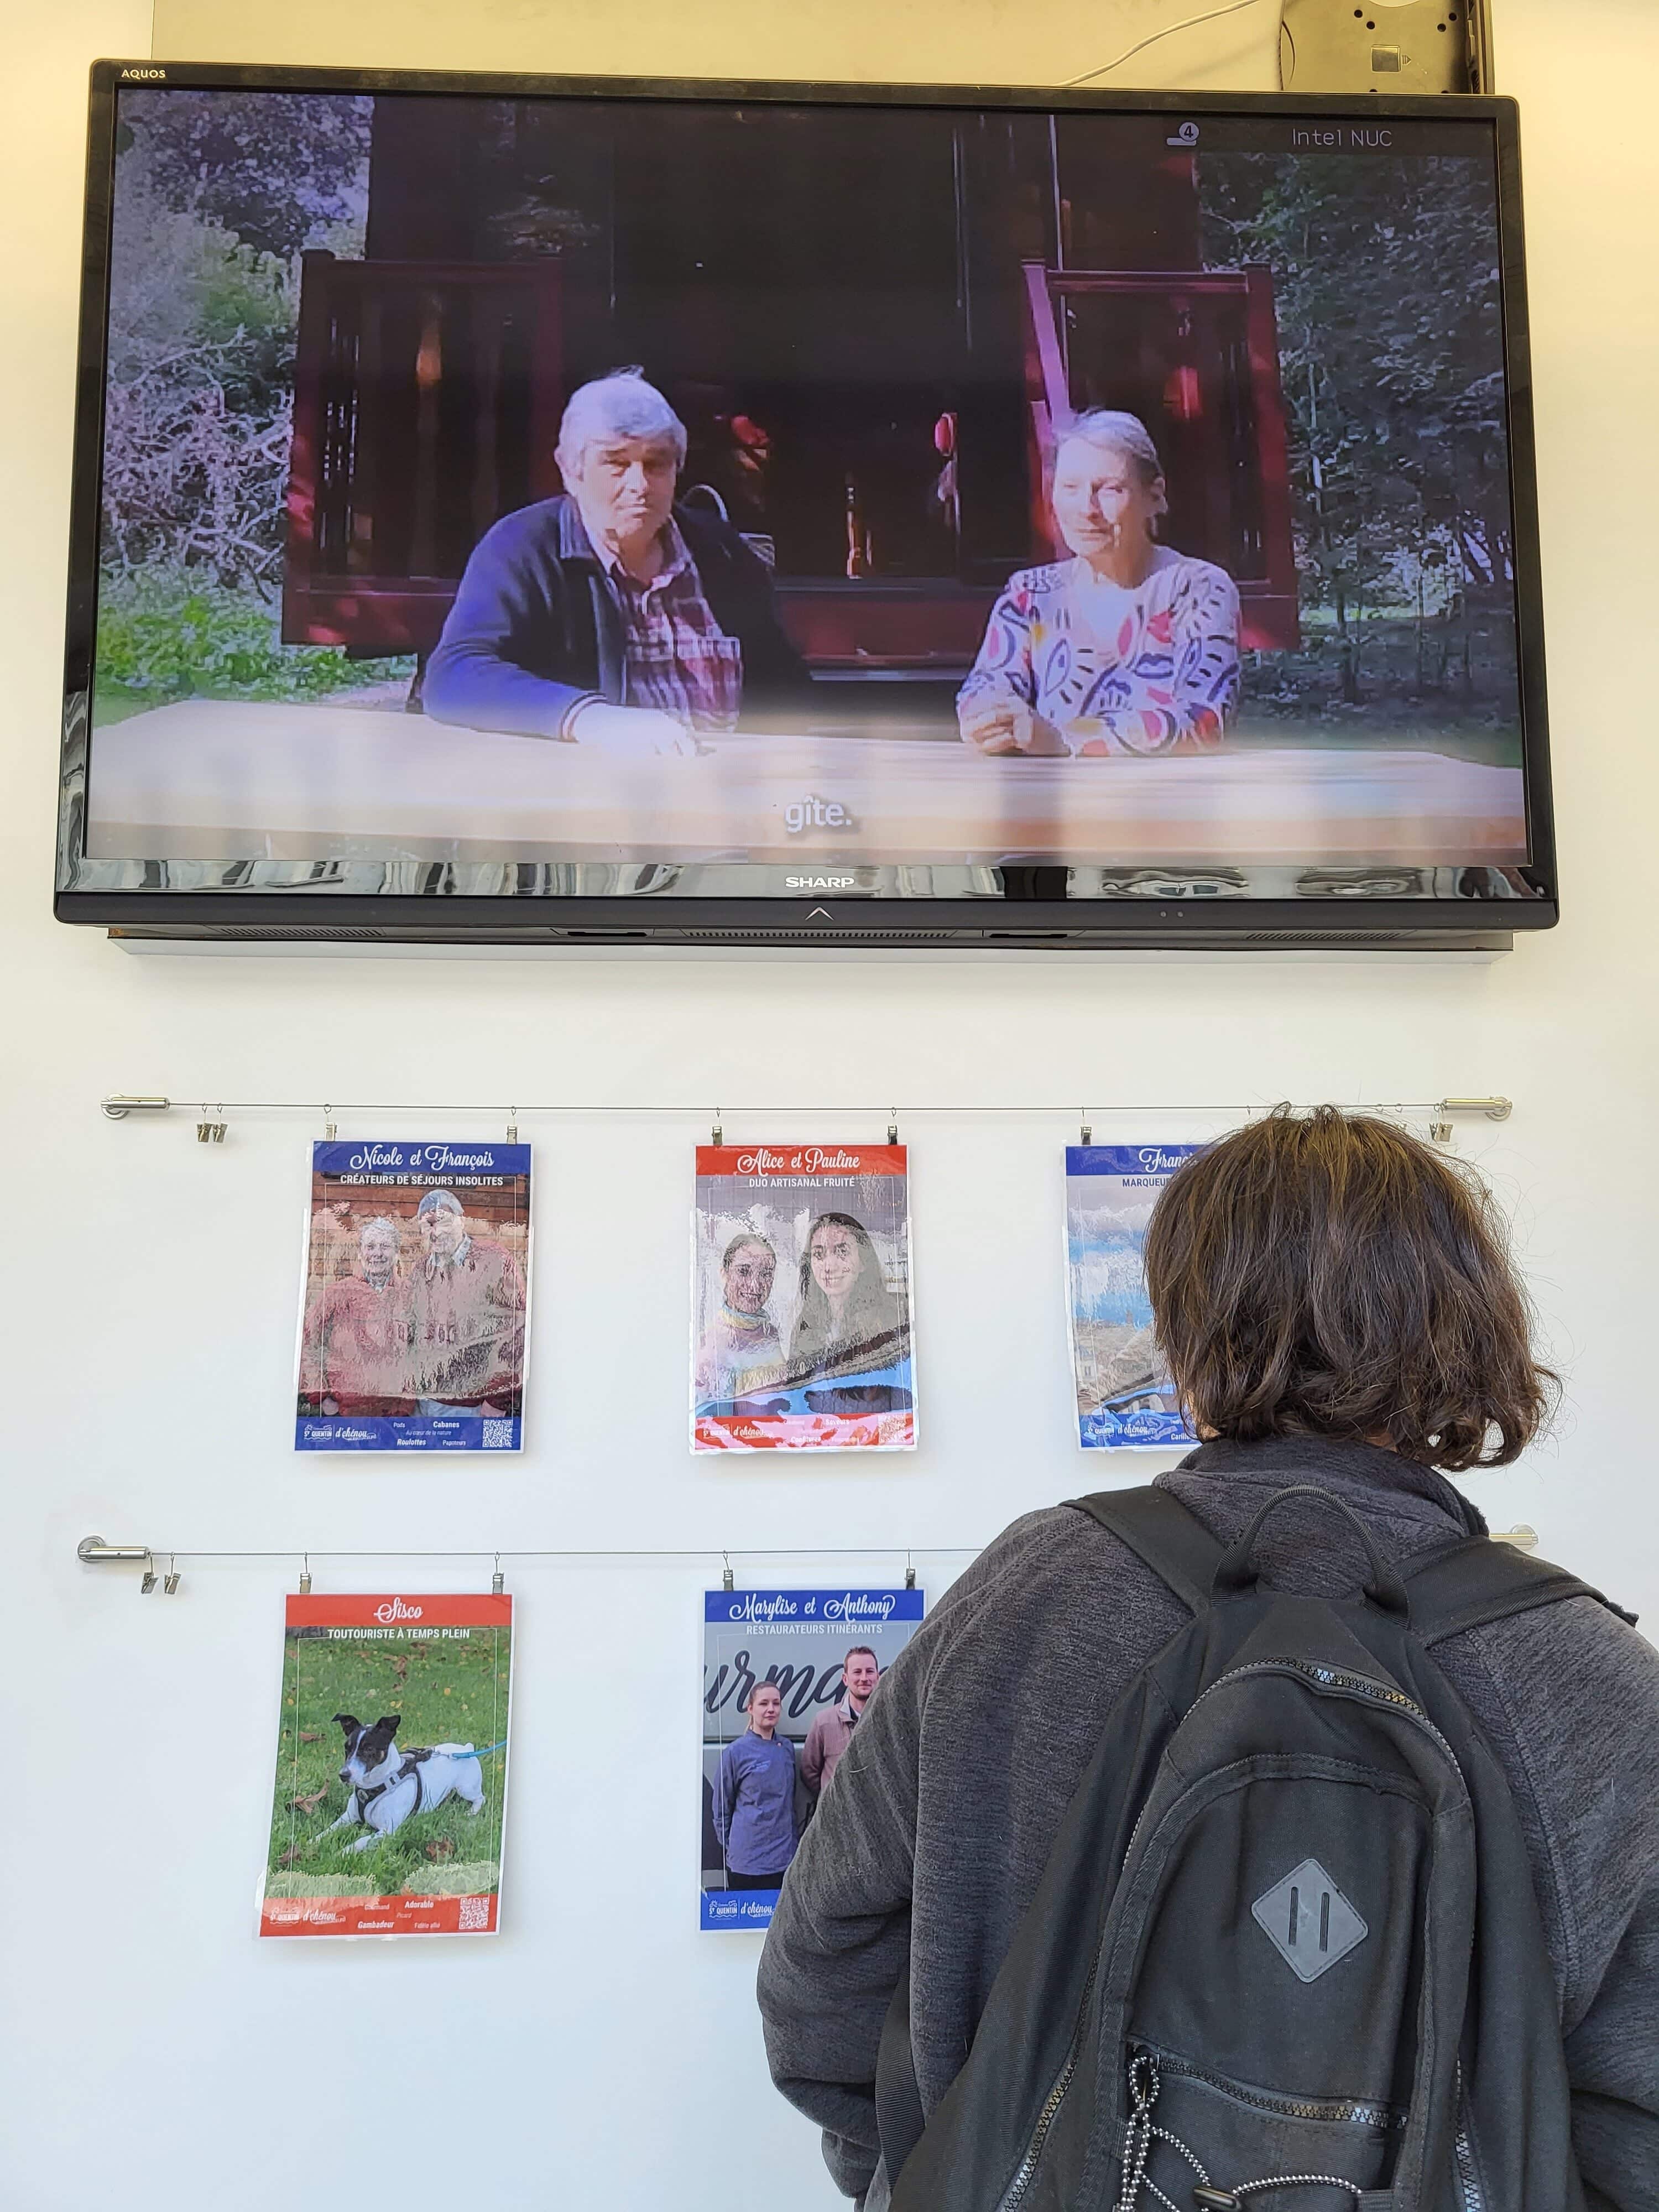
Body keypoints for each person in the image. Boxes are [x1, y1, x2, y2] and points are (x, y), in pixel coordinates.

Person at [757, 1108, 1659, 2211]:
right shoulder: (1587, 1673)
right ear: (1462, 1326)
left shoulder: (1025, 1598)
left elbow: (822, 1976)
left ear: (1185, 1332)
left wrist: (927, 2167)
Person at [423, 368, 813, 755]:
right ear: (571, 470)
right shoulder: (522, 548)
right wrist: (589, 718)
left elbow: (787, 688)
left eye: (656, 463)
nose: (639, 486)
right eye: (616, 462)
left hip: (720, 792)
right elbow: (455, 674)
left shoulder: (721, 553)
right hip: (589, 797)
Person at [957, 408, 1241, 758]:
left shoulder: (1198, 589)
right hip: (1049, 806)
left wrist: (1063, 739)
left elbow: (1204, 721)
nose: (1086, 509)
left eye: (1109, 489)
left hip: (1167, 803)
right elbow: (984, 687)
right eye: (1070, 488)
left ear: (1154, 497)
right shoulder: (1030, 595)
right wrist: (988, 715)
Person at [408, 1189, 526, 1417]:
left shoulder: (494, 1260)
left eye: (444, 1222)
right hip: (422, 1401)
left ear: (461, 1221)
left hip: (472, 1408)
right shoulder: (421, 1269)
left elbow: (516, 1331)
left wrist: (498, 1400)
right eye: (428, 1224)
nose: (437, 1232)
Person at [298, 1216, 415, 1416]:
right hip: (346, 1412)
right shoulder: (336, 1293)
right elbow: (309, 1341)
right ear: (360, 1253)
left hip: (397, 1413)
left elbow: (422, 1350)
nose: (377, 1254)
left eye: (385, 1246)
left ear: (396, 1253)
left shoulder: (410, 1293)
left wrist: (407, 1402)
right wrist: (321, 1395)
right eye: (370, 1246)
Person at [787, 1214, 909, 1391]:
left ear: (863, 1262)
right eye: (819, 1254)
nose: (829, 1266)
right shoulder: (806, 1324)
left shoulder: (889, 1319)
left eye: (842, 1252)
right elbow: (794, 1394)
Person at [712, 1679, 799, 1891]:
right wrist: (734, 1845)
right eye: (764, 1704)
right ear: (750, 1709)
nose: (771, 1709)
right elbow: (721, 1808)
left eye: (776, 1703)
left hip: (783, 1860)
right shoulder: (735, 1752)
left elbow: (789, 1801)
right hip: (746, 1864)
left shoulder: (787, 1748)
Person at [695, 1234, 786, 1403]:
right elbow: (713, 1424)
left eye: (765, 1274)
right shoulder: (713, 1342)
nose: (754, 1284)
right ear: (724, 1274)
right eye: (743, 1271)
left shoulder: (770, 1334)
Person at [800, 1647, 880, 1806]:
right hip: (837, 1819)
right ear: (845, 1679)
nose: (864, 1678)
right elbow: (809, 1772)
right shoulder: (824, 1722)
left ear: (878, 1676)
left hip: (879, 1817)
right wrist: (832, 1796)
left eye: (869, 1671)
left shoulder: (888, 1720)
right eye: (857, 1672)